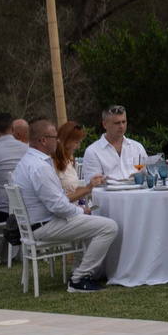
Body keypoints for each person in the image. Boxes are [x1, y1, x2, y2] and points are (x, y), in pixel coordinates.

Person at [15, 119, 120, 290]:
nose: (58, 141)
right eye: (54, 137)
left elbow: (57, 199)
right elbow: (59, 207)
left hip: (36, 224)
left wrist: (80, 211)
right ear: (43, 140)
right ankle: (80, 278)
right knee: (109, 226)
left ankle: (78, 270)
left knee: (92, 223)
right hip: (45, 225)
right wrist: (81, 210)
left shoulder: (26, 161)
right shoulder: (39, 167)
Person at [79, 104, 148, 185]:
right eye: (117, 123)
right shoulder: (93, 152)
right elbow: (93, 186)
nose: (121, 126)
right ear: (105, 124)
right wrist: (128, 180)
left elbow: (147, 175)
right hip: (110, 196)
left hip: (138, 195)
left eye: (124, 122)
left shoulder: (137, 147)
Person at [52, 120, 103, 202]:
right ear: (66, 141)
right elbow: (58, 201)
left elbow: (73, 189)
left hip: (74, 209)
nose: (78, 147)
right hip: (67, 211)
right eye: (76, 142)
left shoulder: (68, 160)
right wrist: (88, 188)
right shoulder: (53, 163)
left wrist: (95, 187)